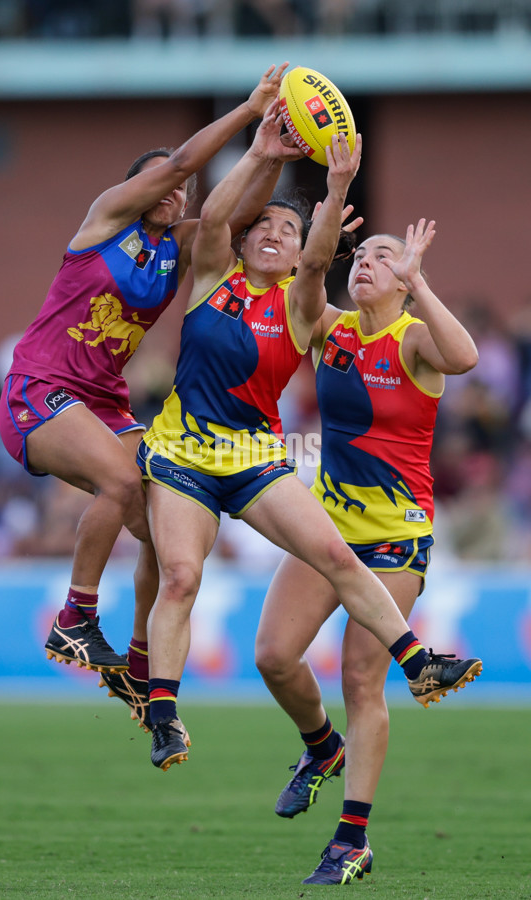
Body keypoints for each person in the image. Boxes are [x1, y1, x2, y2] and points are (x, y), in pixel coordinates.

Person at [136, 104, 482, 774]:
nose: (273, 233)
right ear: (241, 241)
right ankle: (164, 715)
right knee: (181, 576)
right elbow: (214, 219)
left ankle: (419, 662)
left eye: (287, 229)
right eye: (261, 224)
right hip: (181, 457)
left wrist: (339, 186)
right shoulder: (212, 276)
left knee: (334, 553)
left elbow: (328, 254)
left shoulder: (303, 308)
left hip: (254, 460)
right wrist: (263, 151)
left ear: (301, 255)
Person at [0, 65, 291, 707]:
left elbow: (235, 220)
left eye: (183, 192)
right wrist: (248, 111)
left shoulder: (173, 246)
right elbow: (186, 159)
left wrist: (268, 153)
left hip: (101, 400)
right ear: (137, 187)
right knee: (124, 481)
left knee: (161, 518)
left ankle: (136, 658)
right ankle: (74, 618)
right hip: (38, 387)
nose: (179, 193)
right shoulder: (106, 220)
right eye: (167, 183)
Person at [254, 219, 481, 885]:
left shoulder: (415, 338)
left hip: (394, 536)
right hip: (326, 528)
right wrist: (324, 217)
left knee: (361, 678)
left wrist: (420, 282)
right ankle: (322, 747)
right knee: (272, 655)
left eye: (383, 257)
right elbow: (298, 285)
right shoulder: (333, 329)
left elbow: (463, 358)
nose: (365, 264)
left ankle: (352, 839)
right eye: (361, 256)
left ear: (405, 280)